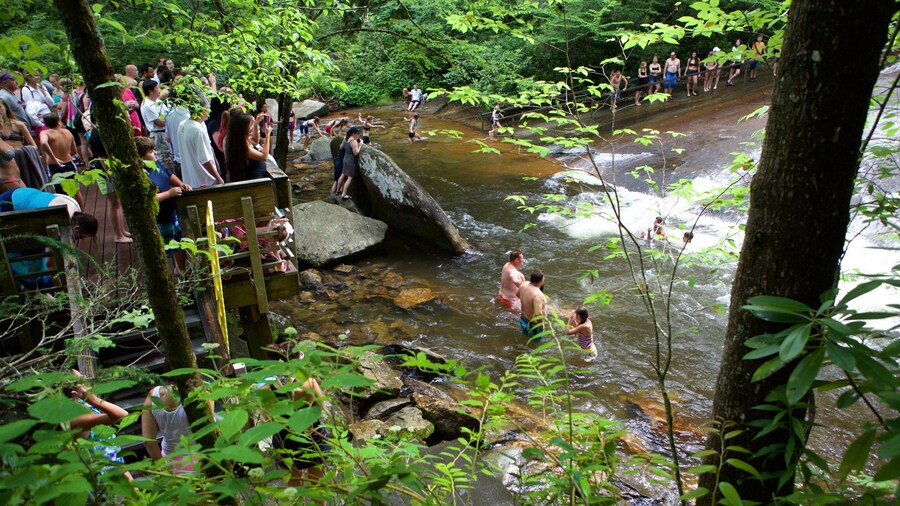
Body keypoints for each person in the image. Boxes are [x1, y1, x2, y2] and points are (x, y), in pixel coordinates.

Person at [67, 370, 133, 481]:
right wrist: (95, 400)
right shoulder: (75, 417)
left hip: (114, 465)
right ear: (74, 393)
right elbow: (123, 416)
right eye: (80, 379)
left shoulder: (81, 403)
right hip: (105, 479)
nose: (84, 376)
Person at [136, 136, 190, 272]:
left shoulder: (156, 164)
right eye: (150, 151)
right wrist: (169, 194)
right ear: (140, 156)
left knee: (179, 242)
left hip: (172, 213)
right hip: (159, 219)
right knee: (164, 249)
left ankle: (182, 270)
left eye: (154, 149)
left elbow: (168, 175)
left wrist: (181, 184)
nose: (155, 153)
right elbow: (148, 199)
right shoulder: (141, 175)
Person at [141, 384, 194, 474]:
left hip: (169, 461)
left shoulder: (154, 395)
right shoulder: (200, 393)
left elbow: (148, 442)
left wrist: (163, 468)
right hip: (199, 461)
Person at [39, 113, 85, 209]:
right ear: (58, 121)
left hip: (55, 167)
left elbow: (43, 143)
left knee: (61, 195)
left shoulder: (45, 133)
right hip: (69, 164)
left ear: (46, 124)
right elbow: (74, 151)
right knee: (75, 190)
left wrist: (54, 158)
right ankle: (81, 212)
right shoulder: (67, 132)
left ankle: (67, 215)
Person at [176, 95, 222, 188]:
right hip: (205, 180)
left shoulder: (183, 125)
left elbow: (208, 148)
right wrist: (218, 178)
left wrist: (216, 164)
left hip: (190, 180)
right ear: (201, 109)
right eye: (208, 108)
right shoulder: (196, 129)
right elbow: (204, 159)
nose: (210, 111)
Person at [225, 113, 271, 182]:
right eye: (250, 125)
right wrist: (267, 136)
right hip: (254, 180)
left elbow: (255, 141)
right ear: (242, 128)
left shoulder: (243, 139)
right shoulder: (242, 145)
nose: (252, 128)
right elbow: (263, 157)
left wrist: (256, 124)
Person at [140, 80, 172, 171]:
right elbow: (160, 122)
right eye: (157, 88)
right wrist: (168, 119)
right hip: (158, 135)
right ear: (150, 91)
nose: (159, 90)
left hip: (164, 132)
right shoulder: (147, 105)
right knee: (164, 158)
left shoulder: (157, 101)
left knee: (169, 156)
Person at [517, 268, 547, 343]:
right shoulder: (538, 294)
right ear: (541, 281)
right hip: (533, 325)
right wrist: (541, 325)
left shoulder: (523, 284)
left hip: (523, 319)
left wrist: (527, 303)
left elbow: (517, 295)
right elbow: (538, 314)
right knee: (536, 343)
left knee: (526, 337)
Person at [335, 126, 362, 200]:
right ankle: (343, 195)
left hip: (345, 159)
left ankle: (338, 191)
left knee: (343, 175)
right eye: (357, 134)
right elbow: (356, 153)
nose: (358, 135)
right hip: (351, 161)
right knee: (349, 178)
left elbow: (341, 147)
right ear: (353, 134)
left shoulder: (345, 138)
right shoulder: (354, 141)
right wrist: (360, 145)